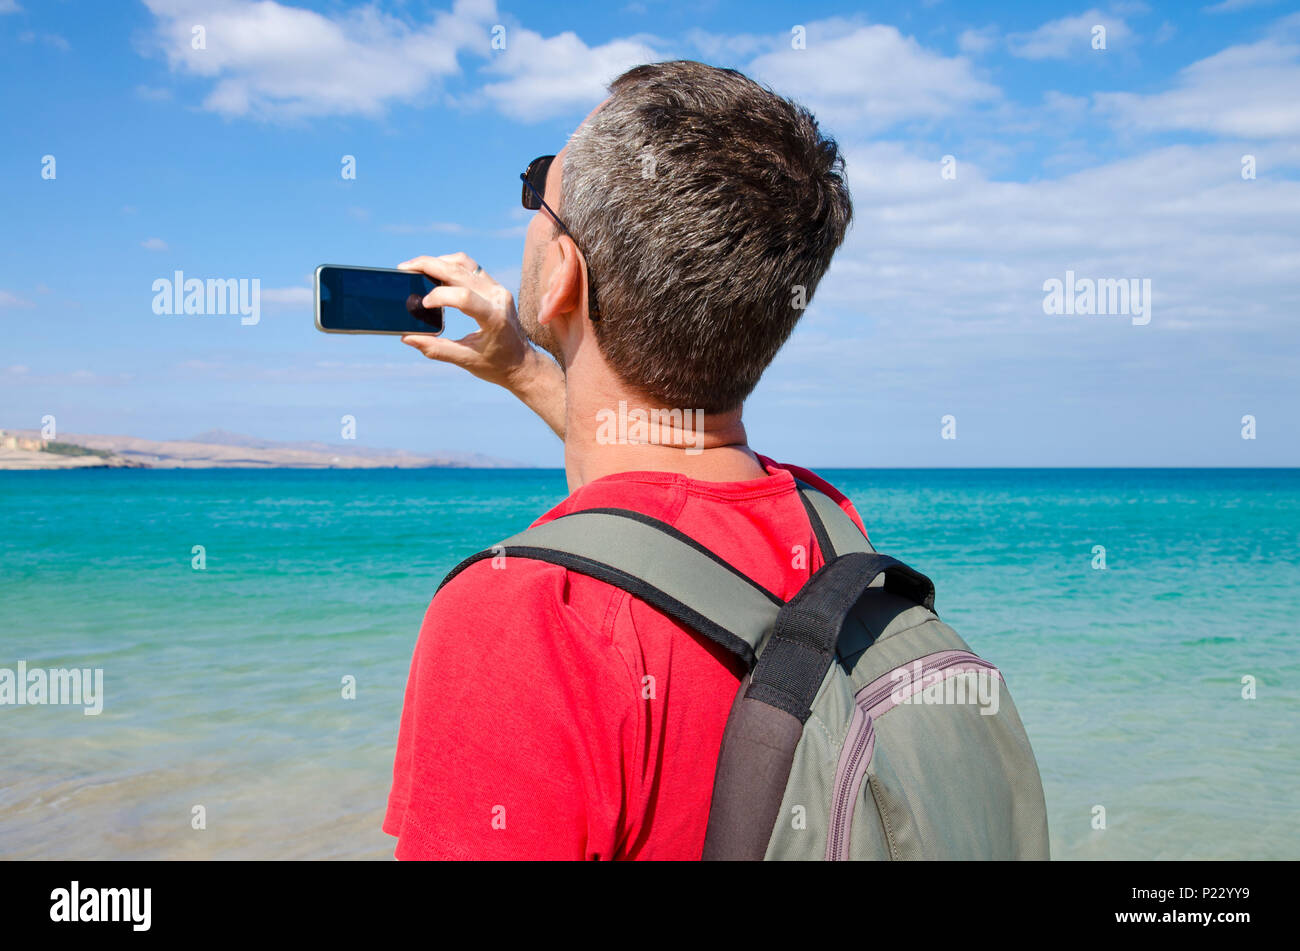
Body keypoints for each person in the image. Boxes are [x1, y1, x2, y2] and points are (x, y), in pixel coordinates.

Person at [385, 60, 857, 859]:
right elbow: (659, 488)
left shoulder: (527, 617)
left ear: (564, 275)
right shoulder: (829, 525)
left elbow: (634, 520)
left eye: (540, 189)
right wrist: (525, 367)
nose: (530, 207)